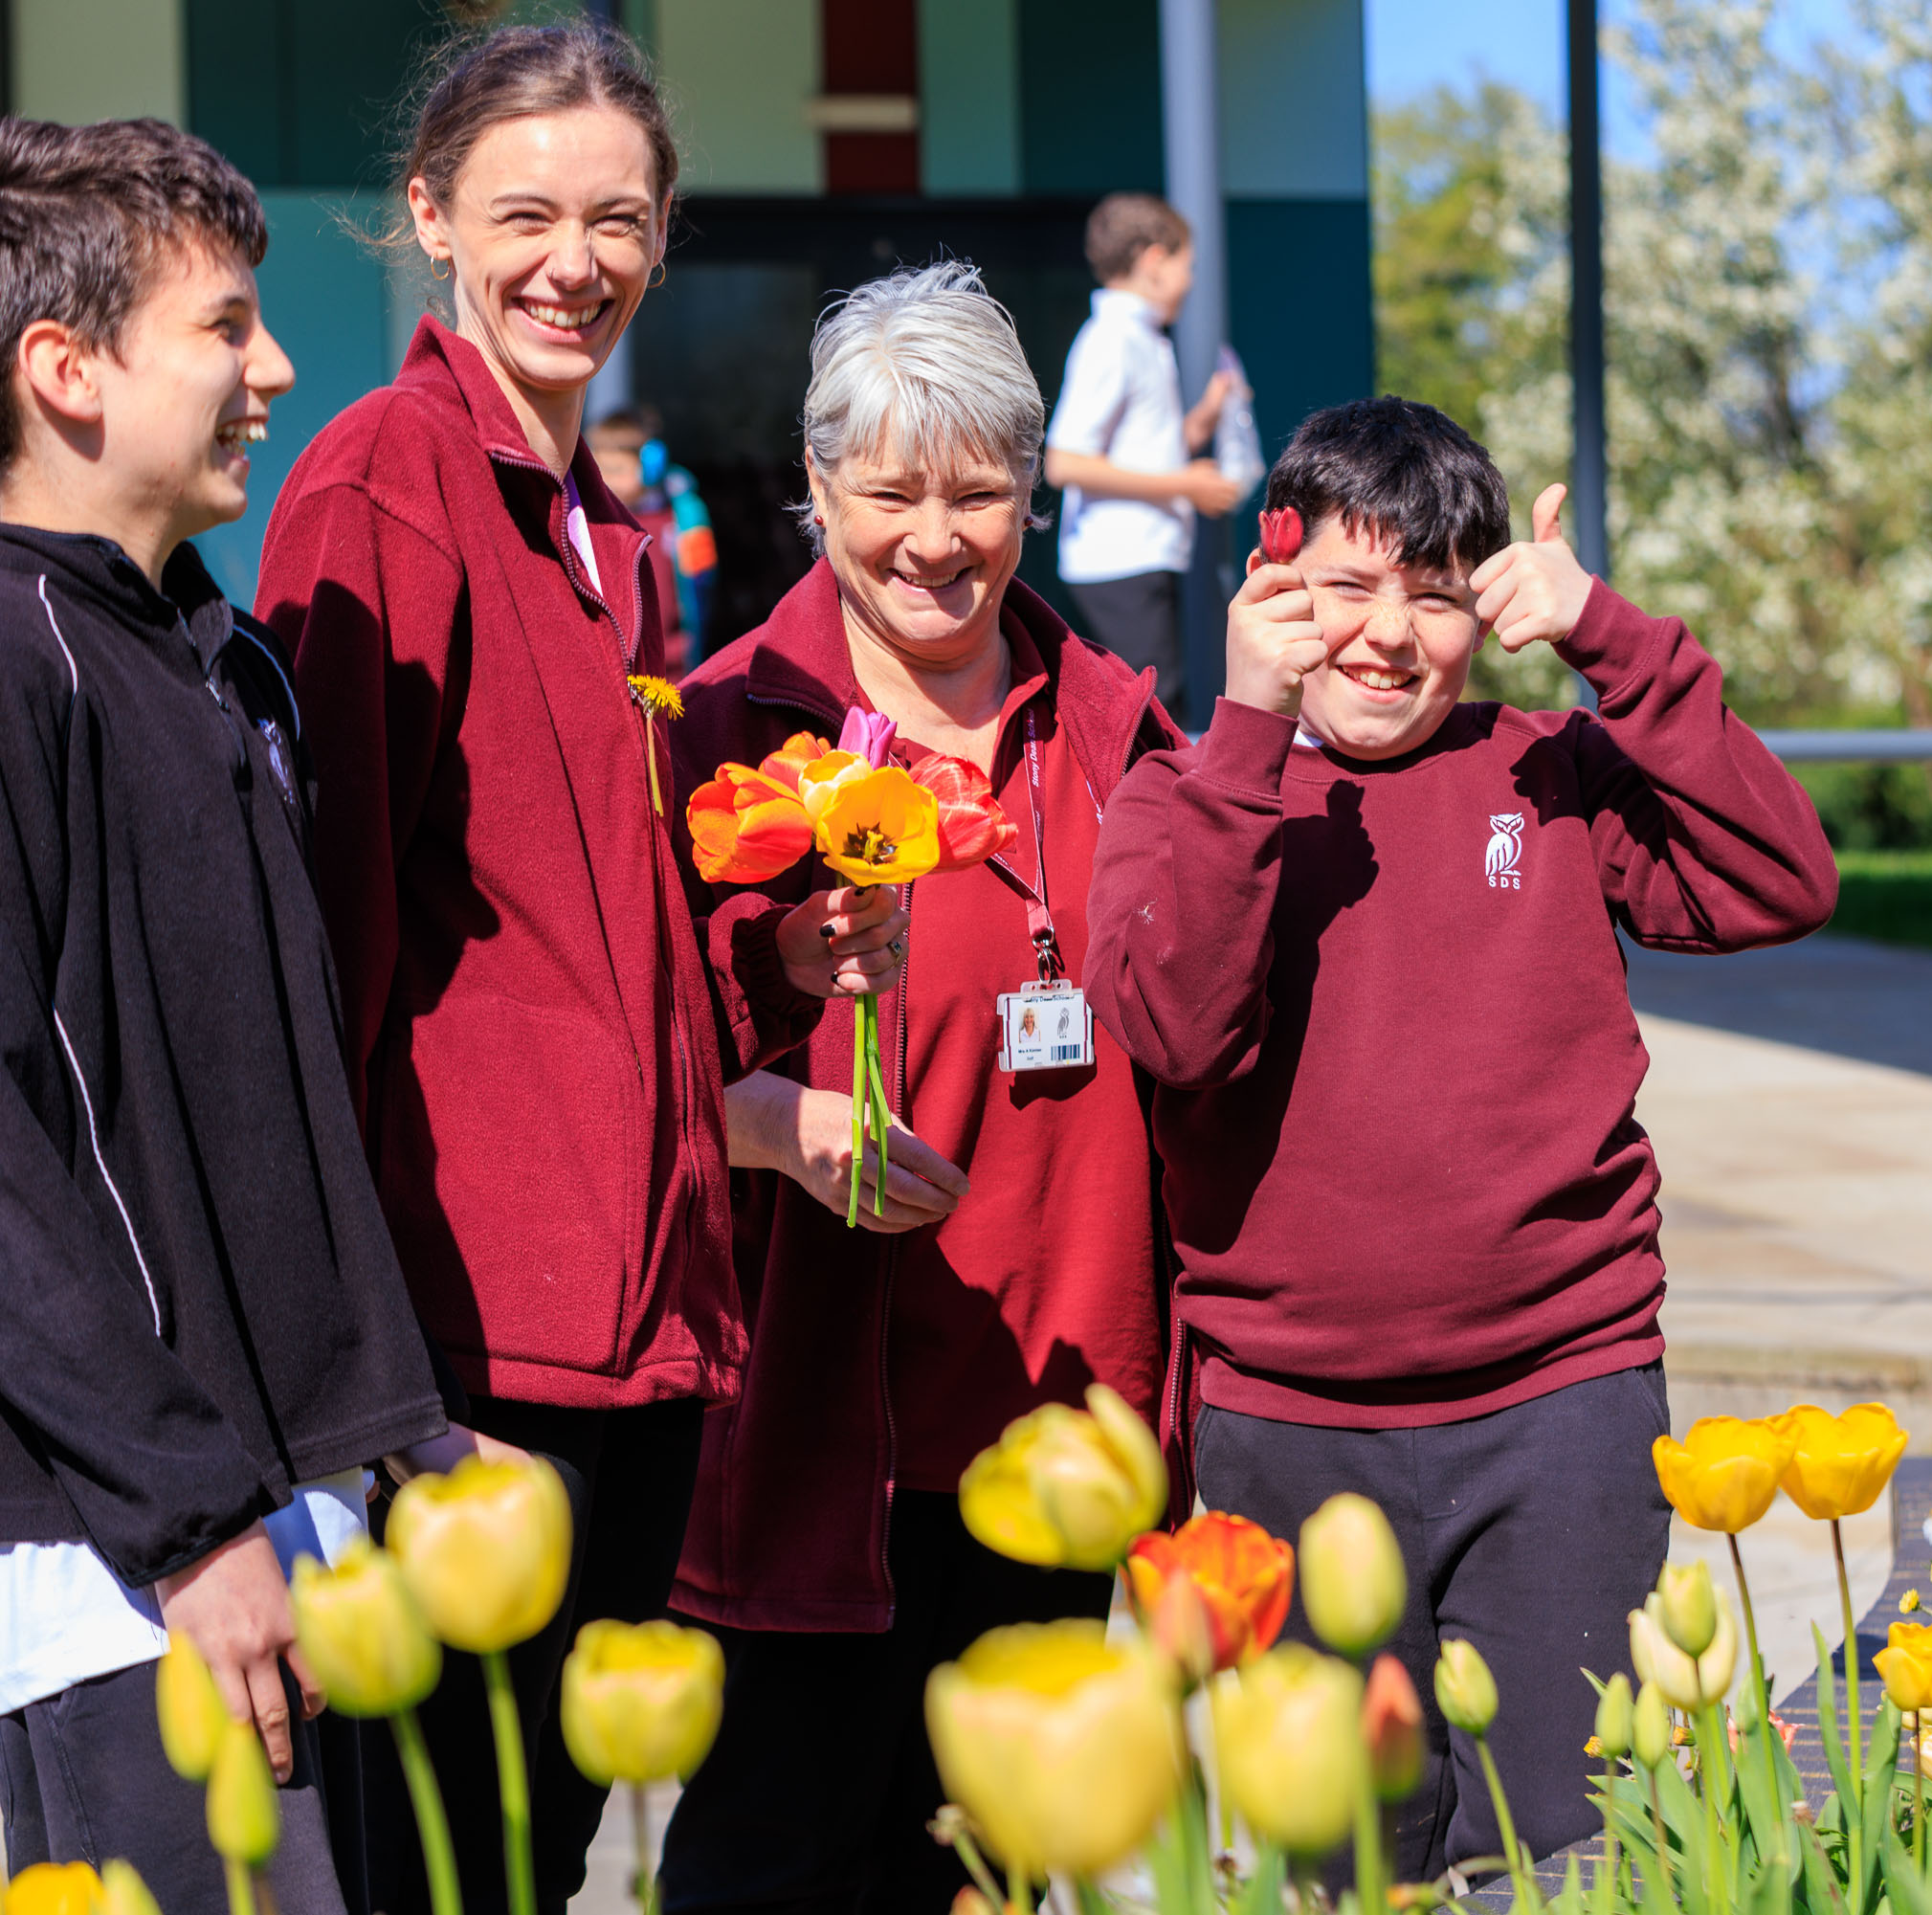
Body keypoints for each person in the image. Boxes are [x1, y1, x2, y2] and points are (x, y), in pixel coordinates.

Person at [253, 23, 902, 1911]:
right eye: (525, 210)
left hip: (646, 1313)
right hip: (471, 1343)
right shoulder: (382, 483)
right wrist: (356, 1362)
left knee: (538, 1860)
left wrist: (780, 952)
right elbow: (332, 938)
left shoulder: (618, 540)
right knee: (449, 1867)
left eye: (617, 217)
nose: (573, 257)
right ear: (430, 216)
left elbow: (607, 929)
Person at [0, 117, 459, 1910]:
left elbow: (268, 1108)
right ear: (67, 371)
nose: (276, 367)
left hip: (286, 1507)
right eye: (227, 327)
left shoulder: (219, 658)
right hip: (136, 1560)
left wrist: (389, 1418)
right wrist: (191, 1529)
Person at [1084, 398, 1838, 1882]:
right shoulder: (1183, 787)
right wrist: (1246, 731)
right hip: (1287, 1420)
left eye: (1433, 596)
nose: (1386, 637)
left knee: (1565, 1855)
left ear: (1489, 611)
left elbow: (1781, 879)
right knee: (1348, 1861)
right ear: (1272, 580)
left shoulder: (1548, 768)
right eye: (1348, 589)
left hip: (1562, 1400)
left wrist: (1616, 639)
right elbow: (1179, 1033)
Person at [659, 263, 1180, 1912]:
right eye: (889, 490)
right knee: (778, 1860)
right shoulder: (730, 734)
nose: (935, 536)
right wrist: (765, 1118)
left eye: (981, 490)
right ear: (816, 491)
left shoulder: (1114, 728)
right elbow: (634, 1058)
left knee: (999, 1874)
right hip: (816, 1427)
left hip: (1057, 1416)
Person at [1042, 191, 1243, 720]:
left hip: (1138, 557)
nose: (1191, 281)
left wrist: (1202, 418)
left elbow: (1143, 446)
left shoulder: (1141, 338)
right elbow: (1064, 461)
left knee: (1155, 708)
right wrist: (1185, 485)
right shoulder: (1112, 340)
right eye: (1186, 266)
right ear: (1154, 261)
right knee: (1151, 715)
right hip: (1118, 560)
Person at [588, 406, 719, 671]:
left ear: (651, 466)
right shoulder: (593, 519)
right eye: (598, 469)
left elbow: (702, 582)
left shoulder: (680, 516)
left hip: (676, 664)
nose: (605, 480)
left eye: (616, 470)